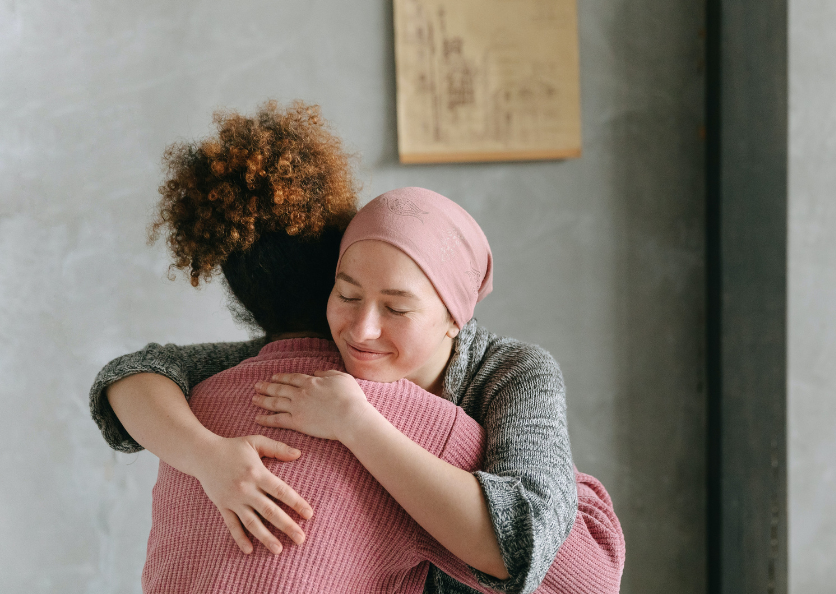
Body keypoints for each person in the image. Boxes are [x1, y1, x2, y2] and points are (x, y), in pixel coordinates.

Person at [91, 102, 624, 593]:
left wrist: (358, 425)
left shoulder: (511, 373)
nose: (362, 330)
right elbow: (134, 374)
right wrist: (210, 458)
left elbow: (541, 548)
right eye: (346, 295)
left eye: (396, 308)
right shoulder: (317, 355)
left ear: (454, 320)